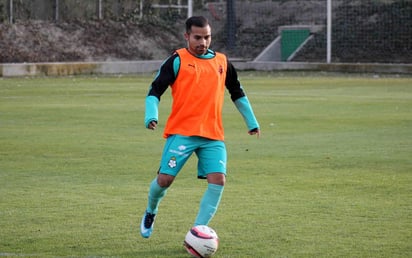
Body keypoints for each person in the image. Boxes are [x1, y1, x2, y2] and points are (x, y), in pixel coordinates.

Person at [140, 16, 260, 239]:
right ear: (187, 36)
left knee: (218, 180)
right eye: (197, 37)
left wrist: (252, 122)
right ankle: (151, 210)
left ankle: (197, 232)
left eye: (207, 37)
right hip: (182, 133)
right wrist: (151, 116)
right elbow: (154, 91)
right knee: (164, 180)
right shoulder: (177, 60)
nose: (203, 42)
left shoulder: (223, 62)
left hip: (212, 135)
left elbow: (238, 93)